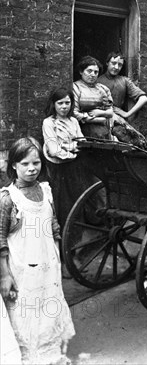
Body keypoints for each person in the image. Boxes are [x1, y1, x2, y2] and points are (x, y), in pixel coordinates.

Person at [0, 137, 75, 364]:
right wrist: (4, 274)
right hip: (22, 268)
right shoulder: (8, 199)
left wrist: (57, 247)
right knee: (26, 313)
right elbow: (0, 238)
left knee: (48, 308)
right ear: (13, 165)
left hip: (47, 263)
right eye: (25, 164)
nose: (32, 168)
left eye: (36, 163)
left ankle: (50, 356)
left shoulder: (45, 190)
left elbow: (52, 222)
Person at [42, 87, 87, 233]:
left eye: (67, 103)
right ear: (54, 104)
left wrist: (68, 146)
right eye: (60, 103)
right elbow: (54, 150)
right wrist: (72, 149)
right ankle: (59, 240)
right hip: (57, 169)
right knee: (60, 203)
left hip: (74, 168)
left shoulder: (73, 121)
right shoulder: (49, 123)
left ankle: (74, 239)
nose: (64, 107)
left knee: (75, 201)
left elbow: (82, 142)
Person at [97, 51, 147, 148]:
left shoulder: (124, 81)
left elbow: (144, 98)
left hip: (118, 123)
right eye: (113, 63)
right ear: (107, 63)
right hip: (100, 121)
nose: (116, 67)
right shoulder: (97, 80)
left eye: (120, 65)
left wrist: (126, 113)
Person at [72, 55, 114, 140]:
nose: (93, 75)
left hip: (103, 131)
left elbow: (110, 112)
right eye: (89, 71)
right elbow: (74, 114)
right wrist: (99, 120)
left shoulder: (103, 89)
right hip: (83, 130)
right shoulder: (75, 87)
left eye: (96, 72)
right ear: (81, 71)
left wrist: (99, 113)